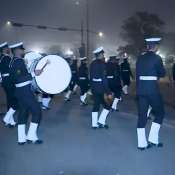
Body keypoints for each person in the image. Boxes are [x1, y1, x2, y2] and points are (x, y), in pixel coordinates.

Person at [9, 42, 43, 145]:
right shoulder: (18, 62)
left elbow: (18, 77)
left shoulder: (13, 61)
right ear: (16, 51)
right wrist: (33, 73)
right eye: (21, 49)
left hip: (19, 92)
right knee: (37, 112)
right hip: (24, 91)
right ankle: (31, 136)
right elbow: (18, 79)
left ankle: (21, 139)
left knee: (23, 113)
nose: (23, 51)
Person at [136, 37, 166, 150]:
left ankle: (141, 144)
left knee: (142, 116)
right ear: (155, 47)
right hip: (152, 90)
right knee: (160, 113)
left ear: (148, 46)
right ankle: (153, 139)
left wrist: (138, 91)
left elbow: (138, 76)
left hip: (141, 90)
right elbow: (162, 73)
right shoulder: (157, 58)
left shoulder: (140, 58)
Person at [90, 47, 112, 129]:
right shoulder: (102, 64)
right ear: (99, 54)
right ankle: (101, 121)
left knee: (96, 105)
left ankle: (94, 124)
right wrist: (108, 92)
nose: (103, 55)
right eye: (102, 54)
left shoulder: (92, 63)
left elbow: (91, 77)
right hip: (101, 88)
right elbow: (104, 79)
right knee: (108, 105)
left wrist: (92, 88)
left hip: (95, 88)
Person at [0, 42, 17, 127]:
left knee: (10, 100)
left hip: (5, 81)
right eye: (7, 48)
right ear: (4, 49)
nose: (9, 49)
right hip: (9, 81)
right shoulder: (6, 58)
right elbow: (12, 69)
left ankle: (10, 120)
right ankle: (7, 118)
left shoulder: (2, 57)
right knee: (14, 100)